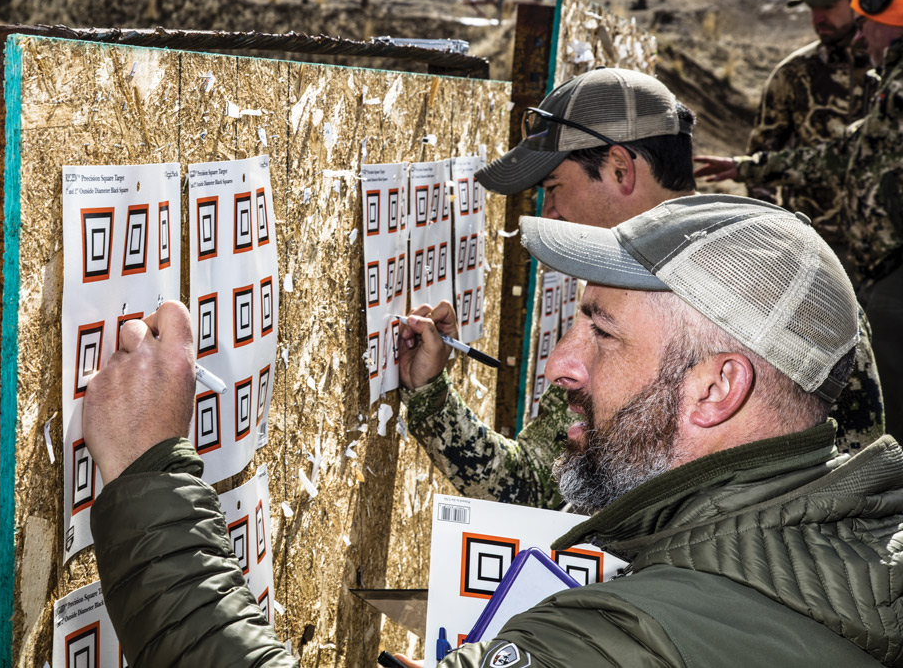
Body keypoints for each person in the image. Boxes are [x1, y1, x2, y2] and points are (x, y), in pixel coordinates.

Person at [83, 196, 903, 666]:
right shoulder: (848, 541)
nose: (558, 366)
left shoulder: (646, 639)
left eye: (600, 331)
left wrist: (147, 472)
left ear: (718, 389)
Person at [402, 68, 883, 512]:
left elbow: (850, 483)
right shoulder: (769, 271)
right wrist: (429, 391)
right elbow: (544, 481)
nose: (550, 212)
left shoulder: (778, 285)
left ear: (619, 168)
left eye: (554, 186)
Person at [695, 0, 903, 438]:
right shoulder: (809, 76)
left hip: (884, 268)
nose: (855, 35)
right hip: (824, 262)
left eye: (837, 8)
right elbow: (842, 150)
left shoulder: (891, 83)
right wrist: (751, 173)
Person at [744, 0, 871, 247]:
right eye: (813, 7)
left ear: (861, 2)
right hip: (812, 247)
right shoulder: (794, 73)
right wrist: (773, 235)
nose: (817, 18)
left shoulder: (893, 71)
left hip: (888, 257)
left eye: (828, 6)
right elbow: (760, 159)